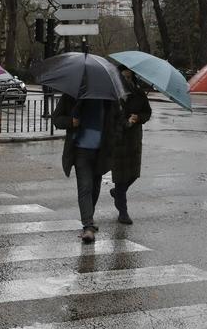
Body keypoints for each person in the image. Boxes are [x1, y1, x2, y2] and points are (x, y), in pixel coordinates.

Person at [51, 95, 116, 243]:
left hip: (101, 152)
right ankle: (88, 226)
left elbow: (116, 121)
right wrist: (71, 122)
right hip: (80, 151)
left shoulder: (107, 97)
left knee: (95, 188)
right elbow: (56, 118)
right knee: (85, 187)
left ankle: (89, 219)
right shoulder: (72, 95)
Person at [109, 67, 152, 225]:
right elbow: (109, 116)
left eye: (129, 77)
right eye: (123, 77)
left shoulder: (139, 94)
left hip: (133, 140)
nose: (126, 80)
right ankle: (123, 211)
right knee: (120, 178)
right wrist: (122, 121)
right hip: (118, 139)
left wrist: (138, 117)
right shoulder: (113, 95)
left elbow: (147, 112)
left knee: (133, 174)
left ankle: (117, 193)